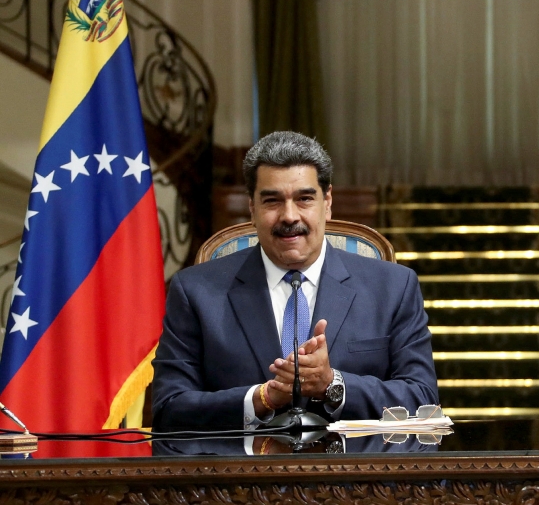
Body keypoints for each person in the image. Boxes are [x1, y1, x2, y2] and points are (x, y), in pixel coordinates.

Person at [152, 131, 438, 430]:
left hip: (355, 460)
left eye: (304, 199)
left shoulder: (393, 287)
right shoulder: (195, 291)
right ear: (252, 208)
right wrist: (261, 398)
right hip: (241, 459)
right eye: (272, 201)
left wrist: (332, 384)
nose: (289, 216)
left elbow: (423, 400)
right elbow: (169, 407)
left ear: (327, 202)